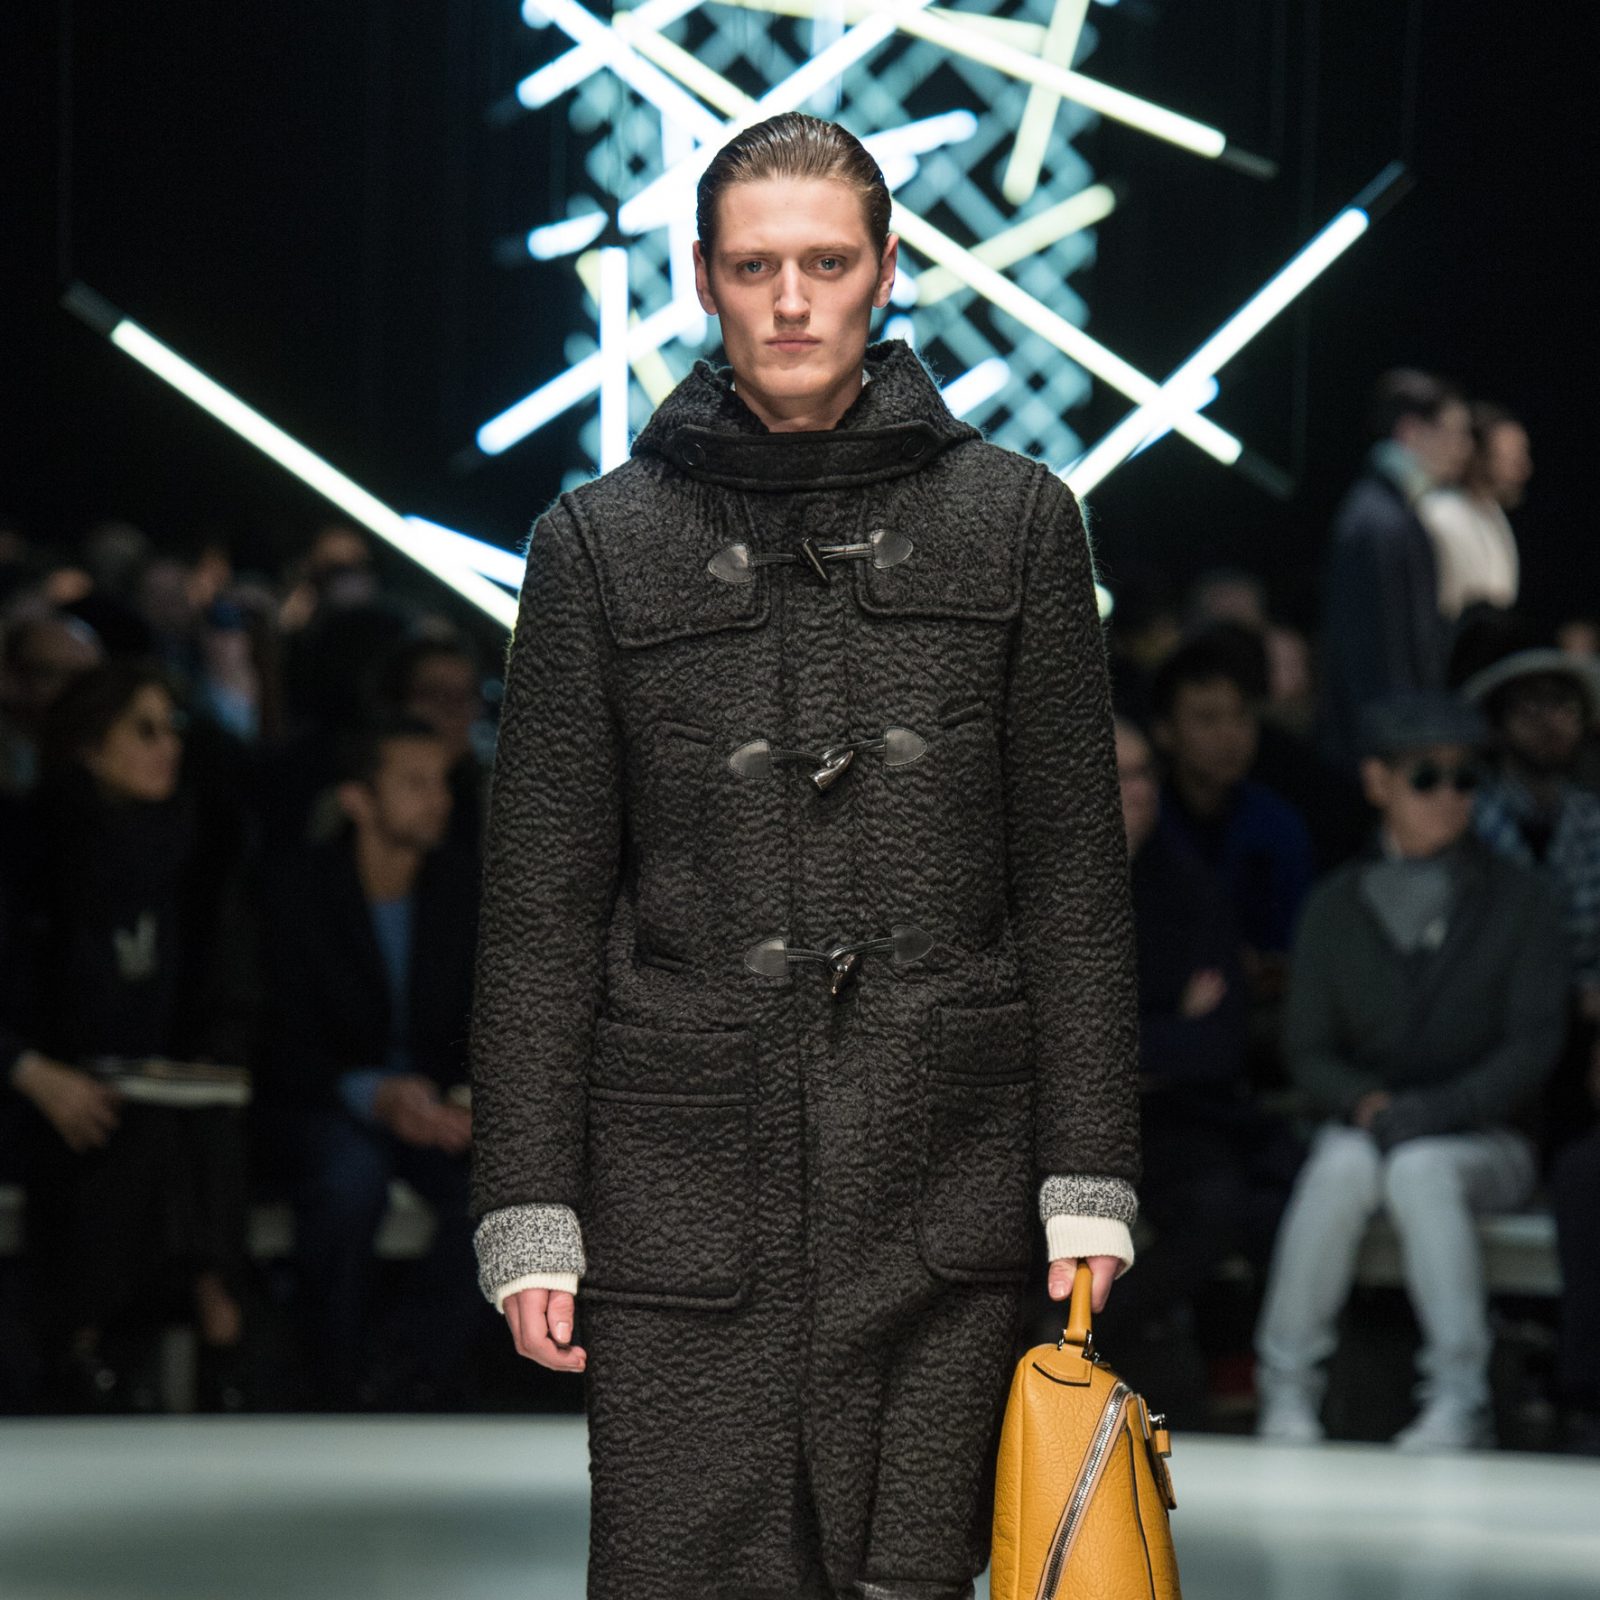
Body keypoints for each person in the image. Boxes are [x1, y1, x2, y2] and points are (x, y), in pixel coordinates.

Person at [468, 112, 1140, 1600]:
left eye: (826, 264)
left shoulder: (1018, 525)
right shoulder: (598, 544)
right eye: (755, 265)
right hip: (682, 1165)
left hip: (948, 1157)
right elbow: (541, 908)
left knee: (914, 1576)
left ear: (887, 271)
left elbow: (1073, 884)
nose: (790, 302)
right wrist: (528, 1204)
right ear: (701, 276)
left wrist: (1090, 1172)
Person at [1254, 692, 1566, 1451]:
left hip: (1489, 1138)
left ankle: (1459, 1396)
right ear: (1378, 783)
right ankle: (1287, 1390)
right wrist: (1364, 1102)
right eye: (1427, 777)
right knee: (1340, 1167)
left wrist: (1437, 1111)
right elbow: (1308, 1048)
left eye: (1466, 779)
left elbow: (1532, 1047)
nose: (1450, 796)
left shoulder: (1522, 900)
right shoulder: (1335, 905)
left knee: (1421, 1169)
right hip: (1372, 1124)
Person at [2, 662, 255, 1411]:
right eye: (143, 730)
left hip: (146, 1083)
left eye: (171, 727)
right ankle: (210, 1330)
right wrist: (29, 1069)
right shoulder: (26, 846)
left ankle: (101, 1346)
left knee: (187, 1123)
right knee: (139, 1132)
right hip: (36, 1085)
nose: (167, 746)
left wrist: (207, 1058)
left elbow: (220, 992)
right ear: (89, 745)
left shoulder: (196, 846)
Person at [257, 714, 481, 1409]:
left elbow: (487, 1020)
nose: (438, 799)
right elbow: (271, 1037)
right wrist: (373, 1093)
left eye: (441, 782)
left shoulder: (463, 889)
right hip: (328, 1100)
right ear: (357, 798)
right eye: (414, 784)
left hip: (434, 1104)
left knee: (499, 1191)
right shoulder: (295, 890)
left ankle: (405, 1373)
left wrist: (459, 1099)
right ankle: (332, 1379)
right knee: (348, 1182)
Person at [1101, 718, 1300, 1381]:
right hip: (1050, 1125)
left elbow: (1217, 1047)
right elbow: (1036, 1044)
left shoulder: (1192, 891)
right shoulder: (1031, 897)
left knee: (1225, 1201)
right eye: (1116, 775)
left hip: (1172, 1119)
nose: (1136, 790)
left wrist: (1119, 1046)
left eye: (1143, 774)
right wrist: (1165, 1028)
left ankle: (1079, 1339)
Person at [1464, 645, 1600, 1158]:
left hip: (1584, 1024)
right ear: (1498, 725)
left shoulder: (1593, 820)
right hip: (1491, 1022)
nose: (1551, 722)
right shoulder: (1466, 817)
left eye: (1565, 706)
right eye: (1531, 707)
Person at [1319, 370, 1475, 767]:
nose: (1464, 447)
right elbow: (1384, 655)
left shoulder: (1385, 513)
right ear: (1410, 431)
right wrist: (1406, 752)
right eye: (1453, 432)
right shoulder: (1382, 521)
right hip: (1387, 750)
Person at [1151, 632, 1317, 987]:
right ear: (1165, 731)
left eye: (1241, 716)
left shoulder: (1278, 825)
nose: (1230, 736)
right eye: (1207, 719)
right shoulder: (1146, 822)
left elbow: (1294, 944)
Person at [1417, 402, 1529, 623]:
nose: (1523, 469)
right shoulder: (1439, 514)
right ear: (1477, 456)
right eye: (1510, 459)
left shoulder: (1493, 513)